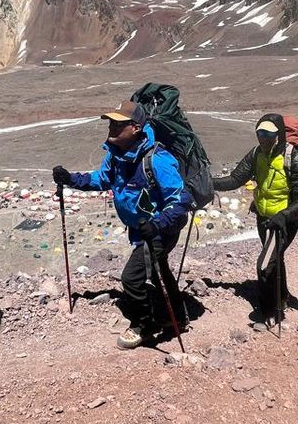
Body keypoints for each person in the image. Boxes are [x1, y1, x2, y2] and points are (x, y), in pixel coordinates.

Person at [52, 99, 193, 349]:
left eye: (119, 124)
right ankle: (178, 317)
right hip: (143, 228)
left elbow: (181, 198)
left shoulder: (158, 159)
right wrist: (71, 179)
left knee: (131, 278)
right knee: (159, 269)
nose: (111, 128)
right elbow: (102, 179)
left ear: (136, 128)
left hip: (161, 229)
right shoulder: (116, 156)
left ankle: (145, 324)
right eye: (110, 123)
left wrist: (158, 225)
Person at [211, 113, 298, 328]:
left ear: (279, 135)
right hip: (264, 217)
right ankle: (283, 297)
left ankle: (270, 313)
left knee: (265, 265)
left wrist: (284, 215)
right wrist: (207, 184)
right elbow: (236, 179)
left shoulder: (293, 158)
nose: (263, 138)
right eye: (260, 133)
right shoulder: (256, 154)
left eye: (269, 133)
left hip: (285, 220)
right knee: (276, 257)